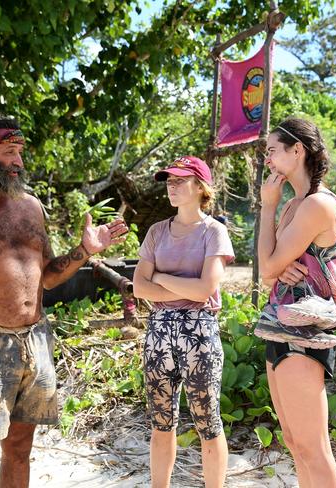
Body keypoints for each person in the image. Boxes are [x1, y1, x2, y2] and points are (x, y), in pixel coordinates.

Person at [0, 113, 128, 488]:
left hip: (36, 339)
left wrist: (84, 250)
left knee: (20, 448)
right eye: (9, 152)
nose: (19, 161)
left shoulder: (30, 206)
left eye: (20, 152)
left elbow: (47, 275)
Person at [254, 117, 336, 487]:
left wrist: (267, 208)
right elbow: (268, 270)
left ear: (298, 150)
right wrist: (279, 268)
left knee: (314, 447)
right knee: (295, 443)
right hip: (279, 324)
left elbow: (267, 262)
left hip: (306, 331)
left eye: (273, 150)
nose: (267, 159)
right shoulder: (295, 204)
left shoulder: (317, 204)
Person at [132, 155, 234, 488]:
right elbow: (138, 287)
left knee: (208, 421)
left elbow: (207, 288)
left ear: (200, 187)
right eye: (169, 181)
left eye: (180, 180)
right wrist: (177, 286)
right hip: (159, 331)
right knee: (161, 423)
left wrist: (160, 277)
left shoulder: (214, 231)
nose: (171, 187)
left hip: (200, 332)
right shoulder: (157, 231)